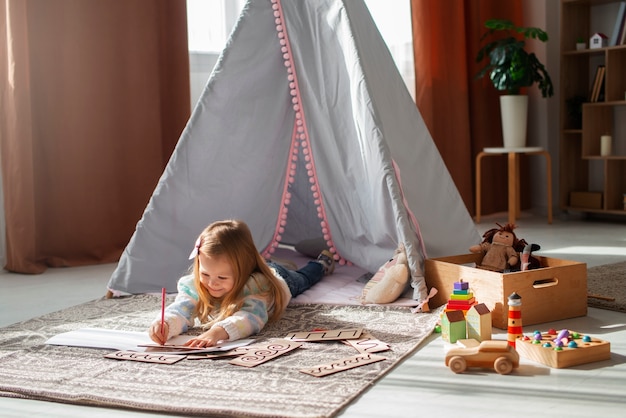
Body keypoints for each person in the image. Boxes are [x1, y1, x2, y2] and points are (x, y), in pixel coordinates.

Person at [148, 219, 335, 347]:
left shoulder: (257, 287)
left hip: (282, 279)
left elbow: (251, 317)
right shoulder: (195, 285)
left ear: (244, 271)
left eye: (222, 278)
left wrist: (217, 332)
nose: (212, 283)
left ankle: (321, 263)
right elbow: (181, 309)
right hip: (258, 267)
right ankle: (270, 262)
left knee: (304, 278)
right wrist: (165, 324)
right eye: (205, 273)